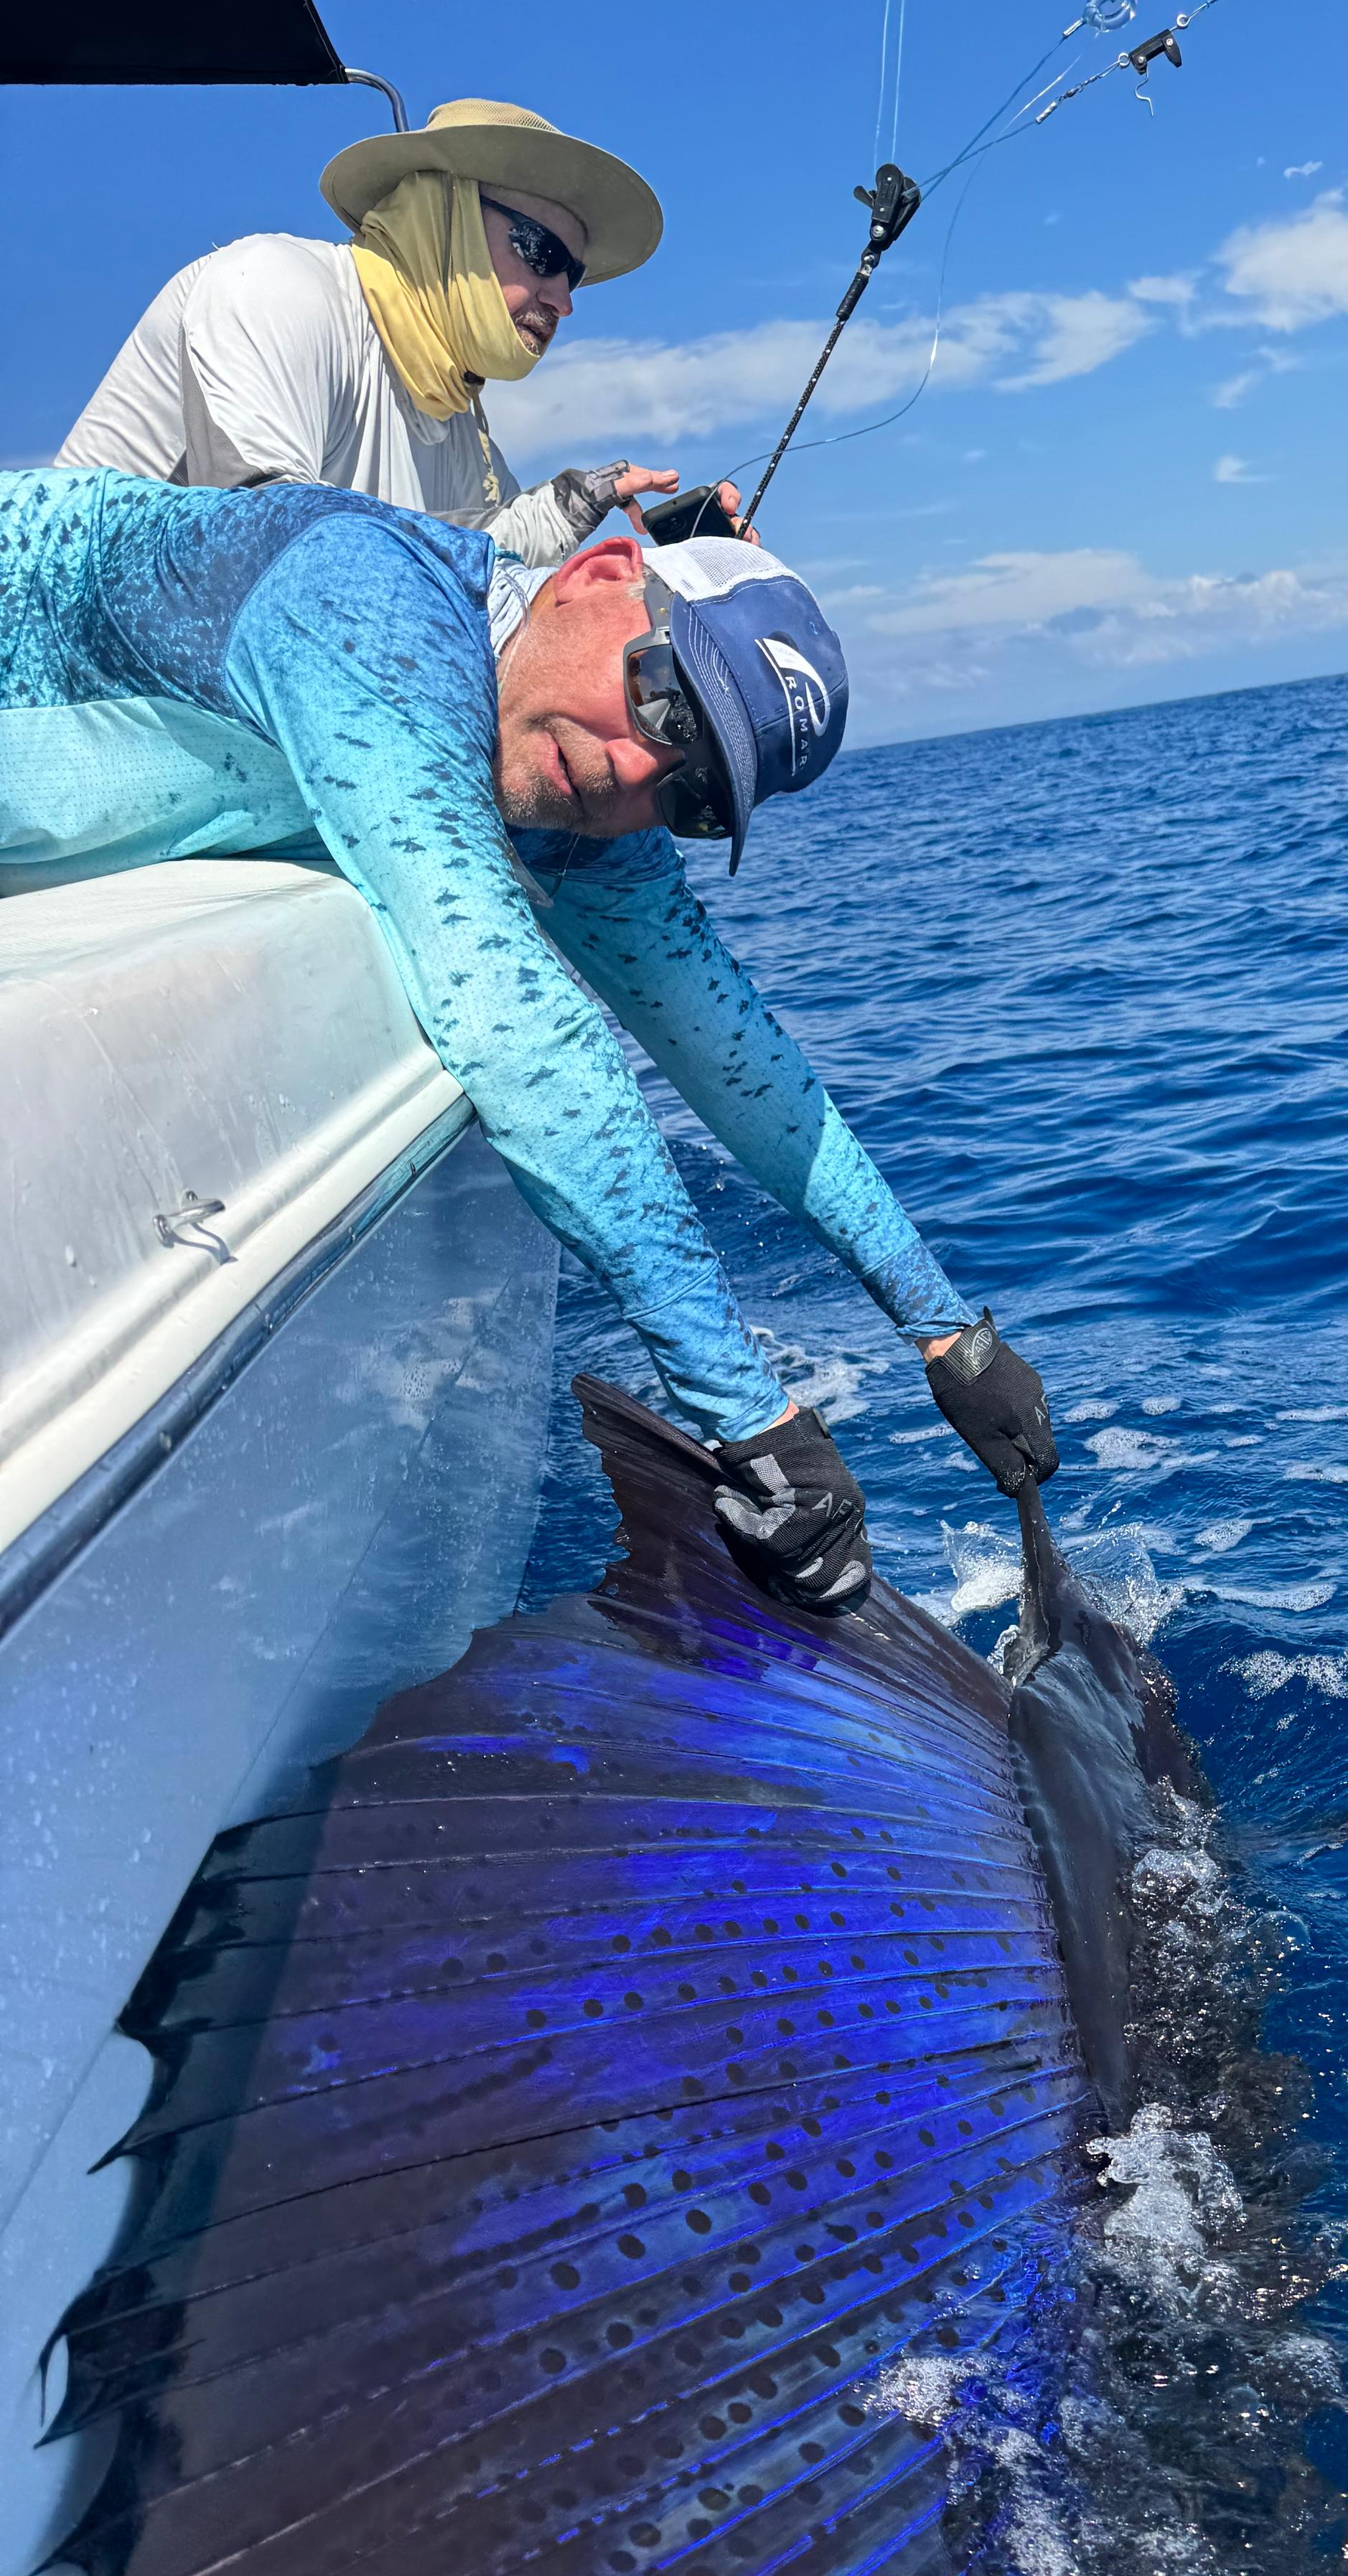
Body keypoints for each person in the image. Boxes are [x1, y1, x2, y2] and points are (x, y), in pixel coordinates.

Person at [0, 464, 1057, 1609]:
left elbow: (734, 1051)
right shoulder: (362, 598)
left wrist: (950, 1335)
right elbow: (520, 1024)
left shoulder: (577, 790)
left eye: (695, 794)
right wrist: (751, 1419)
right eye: (667, 701)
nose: (637, 770)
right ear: (599, 574)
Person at [57, 98, 736, 564]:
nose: (563, 298)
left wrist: (609, 520)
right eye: (542, 252)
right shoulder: (270, 286)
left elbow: (485, 561)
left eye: (575, 274)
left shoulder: (454, 413)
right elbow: (273, 551)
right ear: (444, 220)